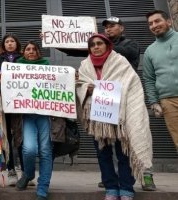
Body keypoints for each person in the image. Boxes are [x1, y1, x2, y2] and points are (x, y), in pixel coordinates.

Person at [76, 34, 153, 200]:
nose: (96, 47)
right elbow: (79, 85)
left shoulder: (120, 62)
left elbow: (130, 84)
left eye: (99, 43)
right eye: (92, 45)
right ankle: (111, 188)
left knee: (123, 152)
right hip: (97, 118)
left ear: (107, 45)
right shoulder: (84, 65)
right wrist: (86, 89)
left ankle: (126, 188)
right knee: (102, 154)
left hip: (120, 116)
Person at [102, 16, 156, 191]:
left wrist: (103, 45)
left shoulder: (130, 44)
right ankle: (115, 175)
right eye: (106, 27)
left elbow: (127, 54)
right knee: (113, 137)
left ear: (121, 28)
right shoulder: (99, 46)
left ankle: (146, 175)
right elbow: (78, 51)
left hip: (129, 94)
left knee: (138, 133)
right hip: (109, 94)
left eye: (112, 26)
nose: (108, 29)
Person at [15, 40, 52, 200]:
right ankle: (28, 174)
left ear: (38, 52)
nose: (31, 51)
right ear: (23, 52)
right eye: (28, 49)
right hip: (27, 115)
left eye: (34, 49)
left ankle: (43, 187)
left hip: (45, 115)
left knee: (45, 150)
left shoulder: (48, 66)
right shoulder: (15, 68)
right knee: (29, 149)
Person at [143, 10, 178, 153]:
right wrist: (154, 102)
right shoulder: (150, 51)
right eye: (150, 23)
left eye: (157, 21)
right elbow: (149, 79)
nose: (154, 25)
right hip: (168, 102)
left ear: (168, 21)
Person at [0, 33, 23, 186]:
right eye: (7, 42)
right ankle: (11, 170)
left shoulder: (24, 58)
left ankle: (24, 170)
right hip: (4, 102)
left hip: (21, 103)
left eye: (12, 41)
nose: (10, 44)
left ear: (17, 43)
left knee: (21, 136)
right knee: (7, 137)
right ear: (3, 45)